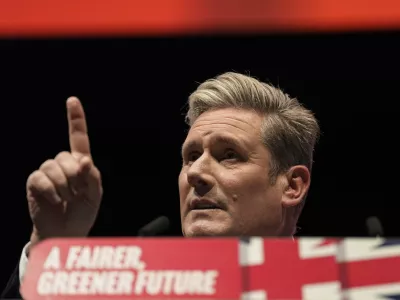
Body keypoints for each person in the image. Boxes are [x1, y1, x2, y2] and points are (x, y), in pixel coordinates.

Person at [1, 72, 320, 298]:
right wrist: (50, 250)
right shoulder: (134, 292)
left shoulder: (349, 286)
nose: (195, 172)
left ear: (292, 186)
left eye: (229, 155)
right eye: (190, 156)